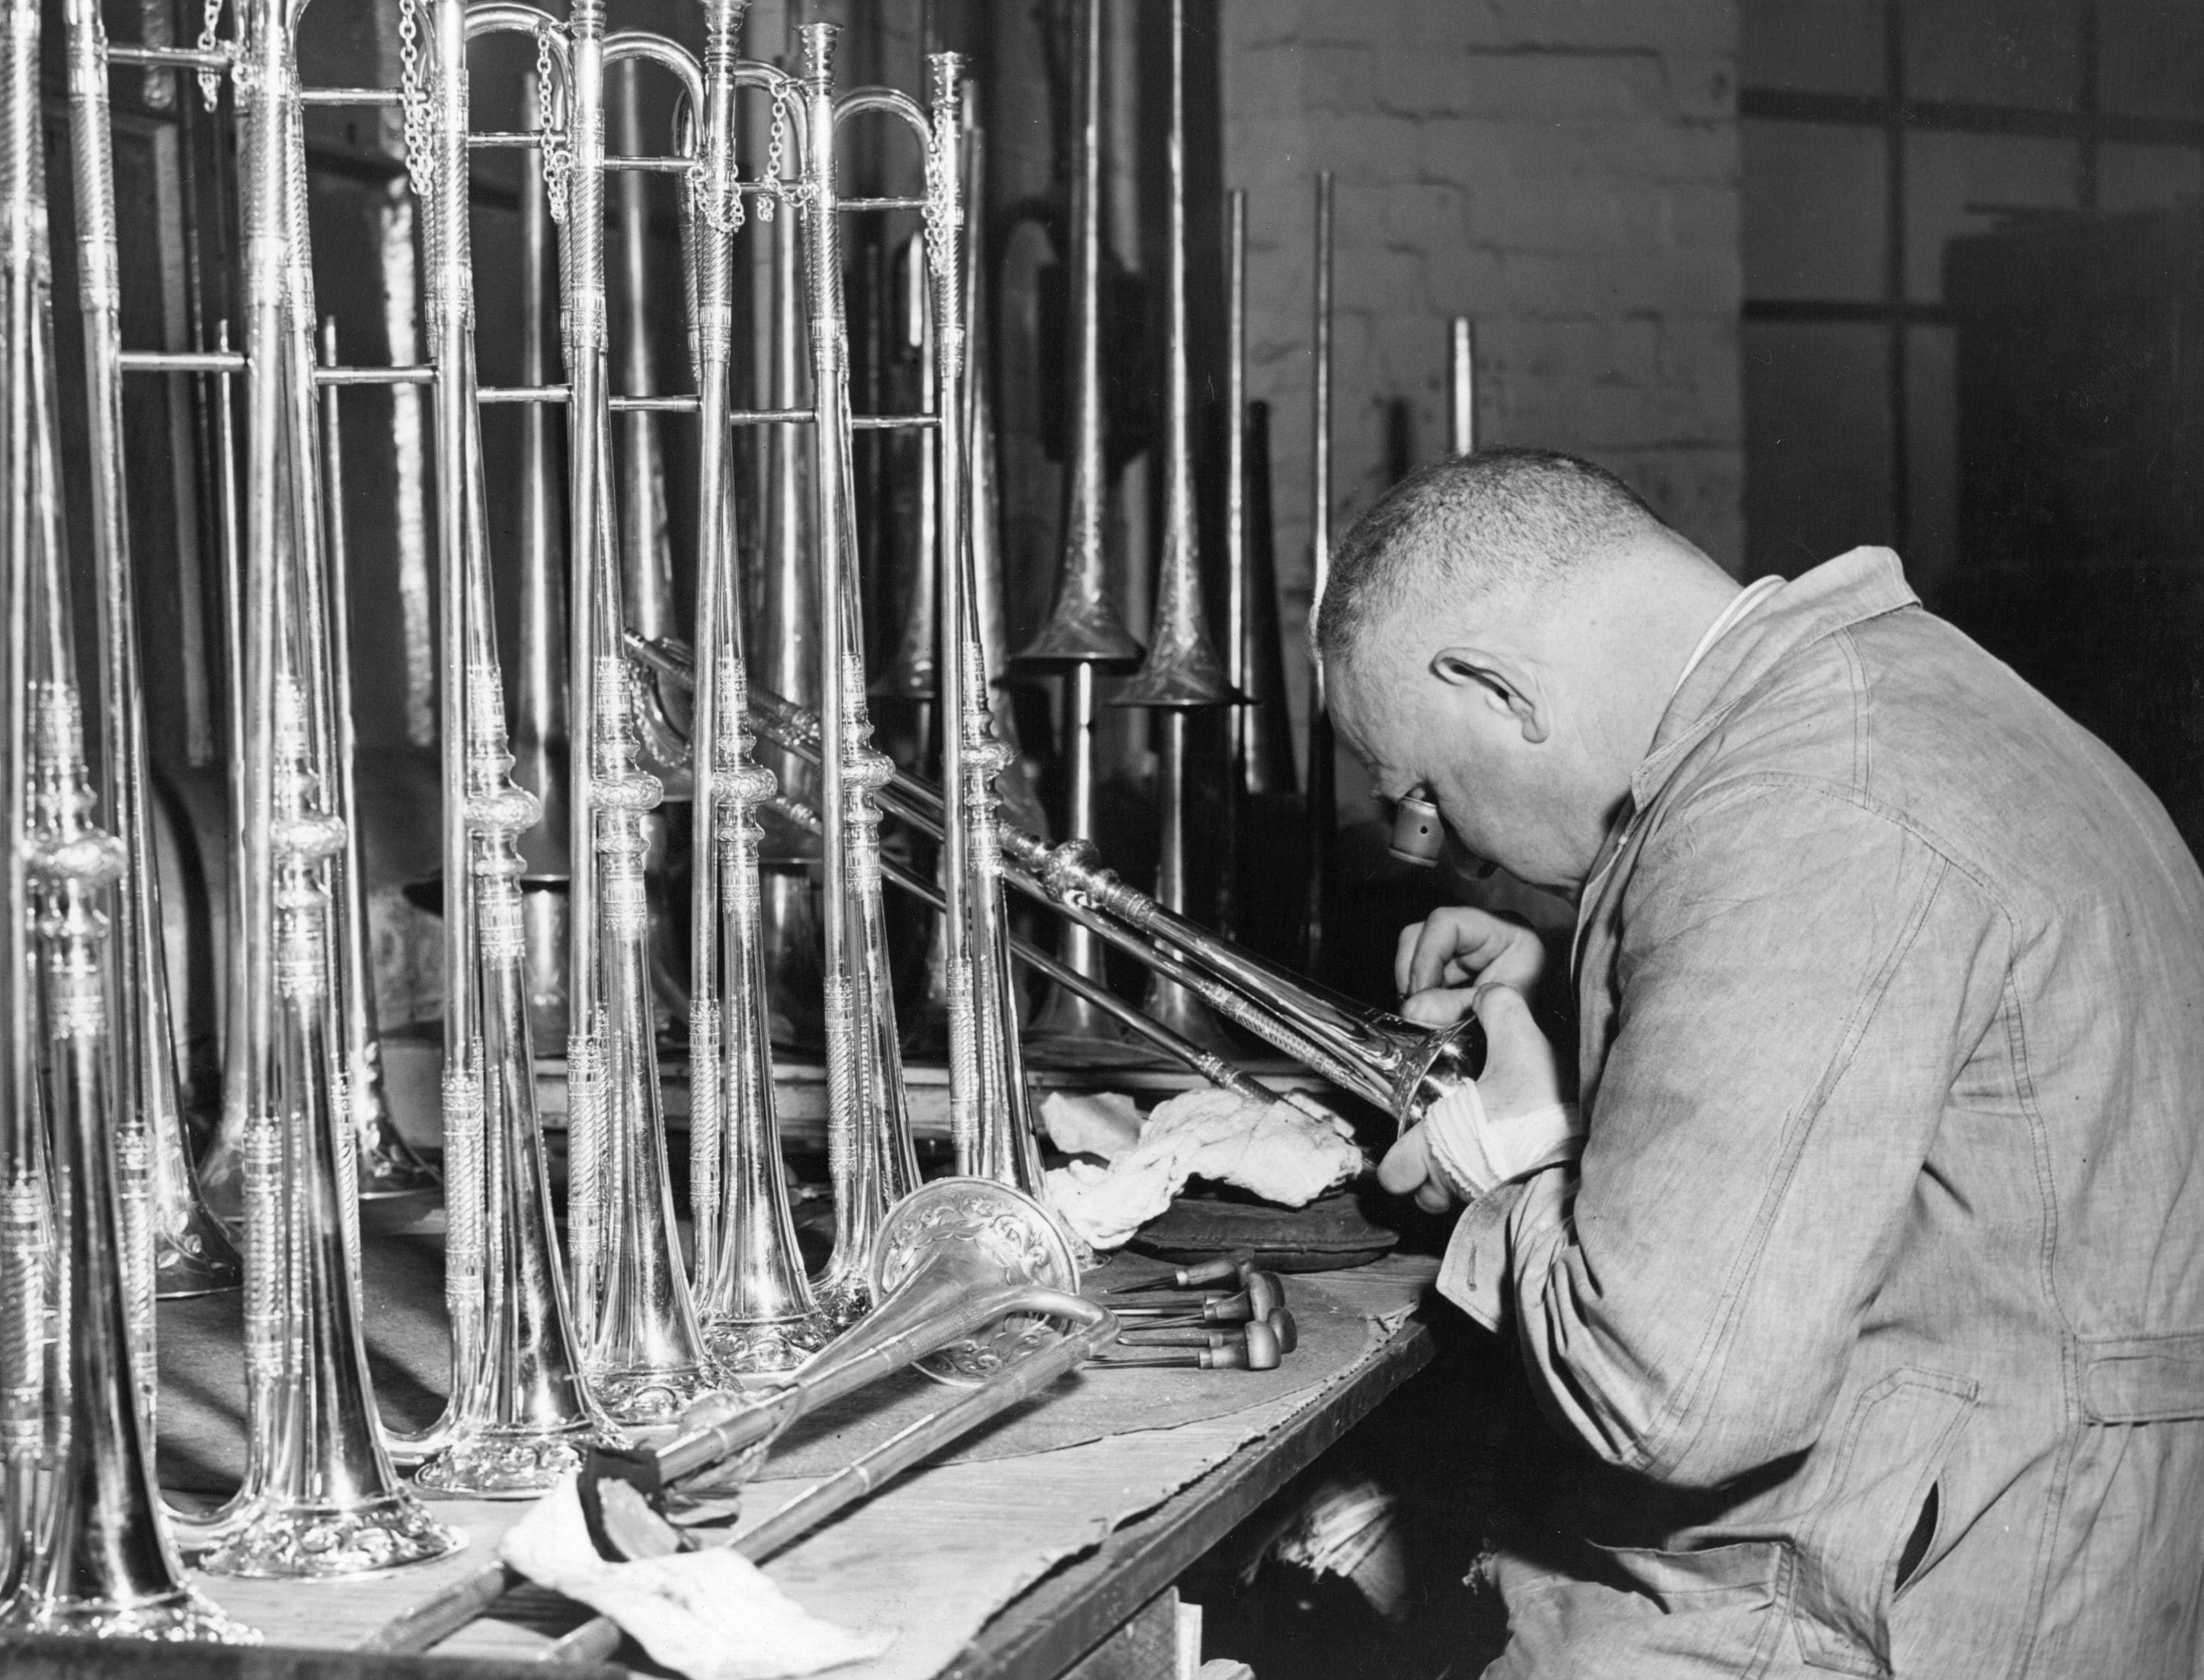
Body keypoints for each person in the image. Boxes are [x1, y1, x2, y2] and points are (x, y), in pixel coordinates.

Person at [1323, 449, 2204, 1678]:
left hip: (1877, 1617)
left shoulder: (1795, 807)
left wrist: (1509, 1172)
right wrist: (1598, 975)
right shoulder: (1898, 700)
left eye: (1421, 792)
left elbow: (1663, 1397)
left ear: (1496, 689)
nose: (1449, 846)